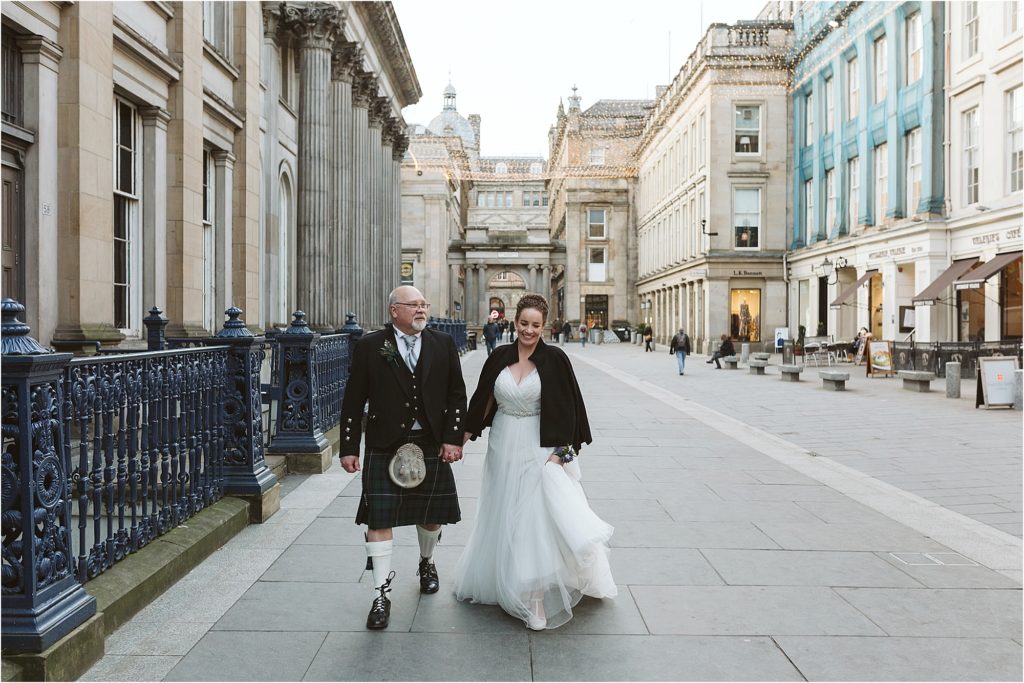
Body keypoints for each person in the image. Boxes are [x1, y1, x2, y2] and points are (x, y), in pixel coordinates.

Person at [456, 293, 616, 630]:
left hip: (538, 446)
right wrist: (461, 439)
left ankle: (536, 597)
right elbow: (484, 402)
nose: (529, 330)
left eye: (536, 325)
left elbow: (573, 413)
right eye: (524, 324)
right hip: (502, 445)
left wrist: (562, 455)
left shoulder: (556, 359)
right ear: (514, 323)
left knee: (533, 518)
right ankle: (505, 578)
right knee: (504, 511)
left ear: (544, 327)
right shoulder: (499, 356)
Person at [338, 286, 467, 630]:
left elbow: (457, 394)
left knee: (431, 517)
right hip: (385, 442)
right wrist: (349, 446)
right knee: (378, 520)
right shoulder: (369, 345)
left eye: (424, 304)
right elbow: (354, 399)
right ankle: (381, 593)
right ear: (395, 310)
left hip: (430, 440)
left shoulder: (443, 343)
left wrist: (453, 438)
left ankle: (427, 561)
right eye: (414, 305)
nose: (421, 310)